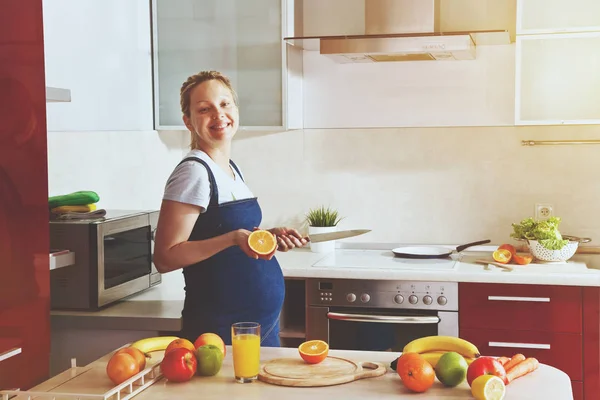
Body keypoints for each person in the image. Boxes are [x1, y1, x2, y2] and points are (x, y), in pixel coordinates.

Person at [153, 71, 308, 347]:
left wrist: (266, 237)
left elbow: (221, 232)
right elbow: (165, 257)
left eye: (225, 104)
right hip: (220, 330)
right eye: (204, 109)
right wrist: (234, 237)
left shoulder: (229, 168)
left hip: (256, 327)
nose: (218, 114)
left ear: (236, 110)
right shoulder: (193, 173)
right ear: (188, 121)